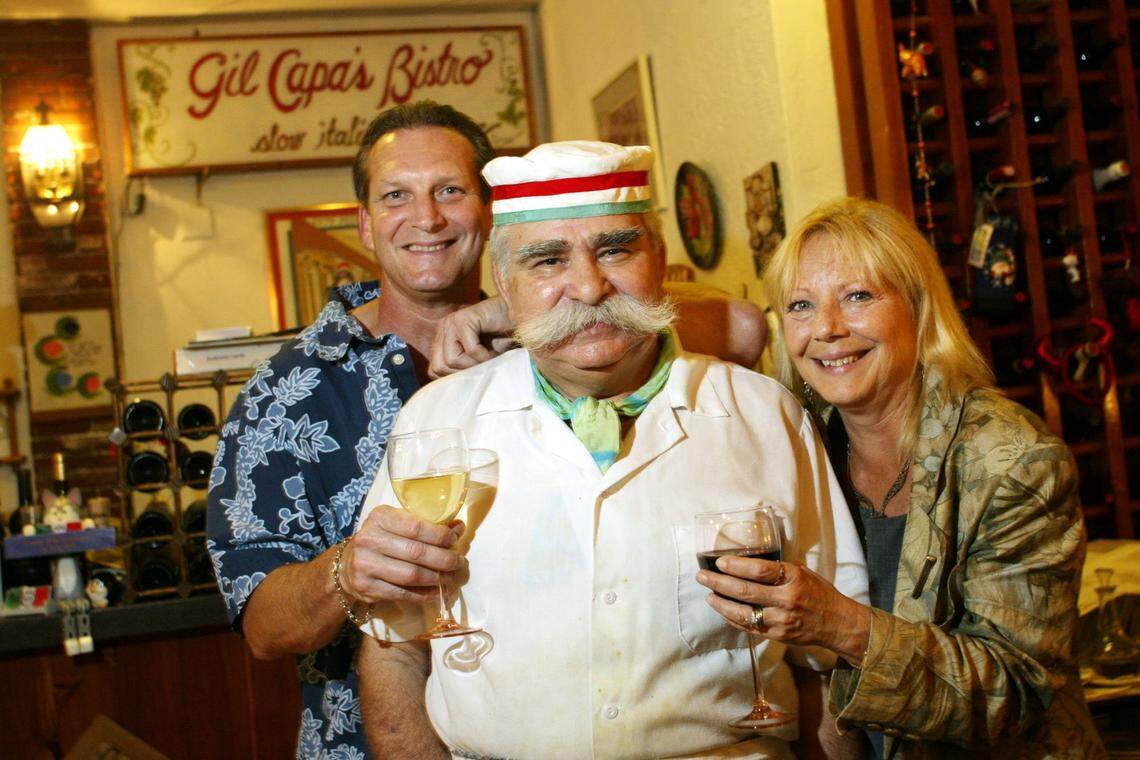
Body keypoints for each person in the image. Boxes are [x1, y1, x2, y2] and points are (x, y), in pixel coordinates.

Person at [208, 103, 769, 758]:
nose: (427, 218)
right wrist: (346, 573)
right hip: (361, 743)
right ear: (364, 224)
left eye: (449, 189)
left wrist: (513, 312)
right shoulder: (287, 392)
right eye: (397, 196)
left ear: (491, 208)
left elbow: (744, 328)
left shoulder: (564, 328)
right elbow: (262, 626)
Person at [354, 141, 868, 759]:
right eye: (546, 262)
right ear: (502, 284)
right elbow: (396, 649)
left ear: (660, 257)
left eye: (615, 250)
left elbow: (827, 659)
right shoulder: (437, 419)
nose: (589, 287)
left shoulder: (765, 414)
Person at [697, 197, 1106, 758]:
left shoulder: (1012, 459)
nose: (827, 329)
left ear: (917, 307)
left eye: (858, 296)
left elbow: (1016, 696)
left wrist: (842, 626)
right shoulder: (800, 449)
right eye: (800, 306)